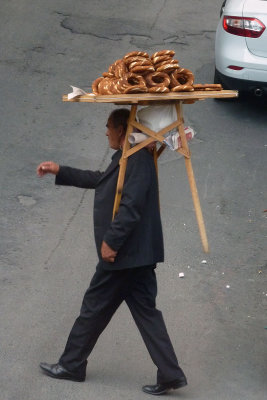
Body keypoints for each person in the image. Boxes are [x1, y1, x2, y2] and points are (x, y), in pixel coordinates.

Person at [36, 108, 187, 395]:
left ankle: (71, 364)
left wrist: (111, 242)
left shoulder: (138, 158)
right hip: (137, 256)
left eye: (108, 127)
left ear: (121, 130)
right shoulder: (128, 156)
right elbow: (101, 179)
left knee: (93, 307)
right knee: (146, 313)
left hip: (126, 255)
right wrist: (60, 170)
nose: (105, 132)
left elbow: (131, 207)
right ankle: (170, 373)